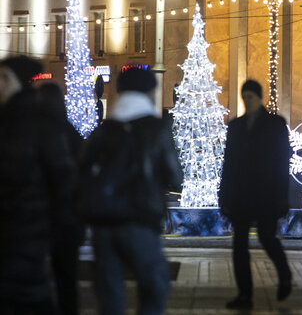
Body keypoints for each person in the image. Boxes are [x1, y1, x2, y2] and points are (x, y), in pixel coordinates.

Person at [79, 67, 182, 315]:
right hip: (140, 218)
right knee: (154, 283)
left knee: (110, 292)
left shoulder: (102, 131)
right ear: (148, 91)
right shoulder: (156, 129)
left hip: (103, 223)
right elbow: (175, 176)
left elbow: (82, 171)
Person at [0, 57, 76, 314]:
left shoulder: (39, 122)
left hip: (28, 230)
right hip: (19, 230)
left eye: (4, 78)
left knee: (27, 296)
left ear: (19, 83)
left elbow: (61, 179)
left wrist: (62, 230)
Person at [219, 80, 292, 309]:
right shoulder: (236, 126)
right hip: (241, 195)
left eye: (251, 96)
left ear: (259, 98)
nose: (247, 100)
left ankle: (285, 275)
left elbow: (282, 163)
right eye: (245, 96)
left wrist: (282, 196)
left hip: (266, 194)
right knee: (239, 245)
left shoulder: (275, 124)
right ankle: (244, 294)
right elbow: (228, 164)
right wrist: (224, 196)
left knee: (266, 238)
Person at [36, 82, 84, 315]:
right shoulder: (71, 133)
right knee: (67, 280)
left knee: (37, 278)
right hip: (68, 220)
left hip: (39, 218)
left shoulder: (33, 133)